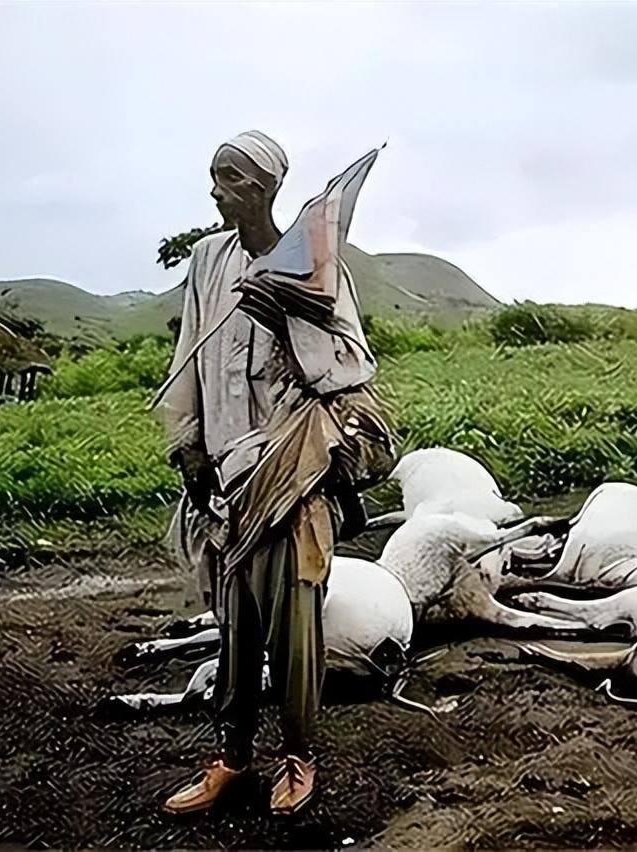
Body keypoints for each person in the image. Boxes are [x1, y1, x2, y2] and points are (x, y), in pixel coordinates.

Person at [156, 130, 394, 816]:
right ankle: (230, 759)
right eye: (213, 176)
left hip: (288, 473)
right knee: (233, 624)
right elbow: (187, 358)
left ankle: (298, 758)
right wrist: (188, 444)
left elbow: (350, 365)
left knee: (294, 626)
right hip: (224, 477)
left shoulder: (315, 267)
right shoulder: (208, 261)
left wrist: (288, 318)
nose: (214, 191)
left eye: (227, 179)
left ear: (261, 190)